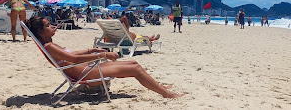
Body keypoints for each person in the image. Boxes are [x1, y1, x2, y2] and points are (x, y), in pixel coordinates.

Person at [25, 16, 182, 98]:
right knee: (135, 68)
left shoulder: (50, 44)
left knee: (133, 62)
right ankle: (167, 94)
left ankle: (162, 89)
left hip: (86, 70)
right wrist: (103, 54)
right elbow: (73, 60)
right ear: (40, 32)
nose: (52, 26)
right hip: (86, 73)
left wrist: (91, 49)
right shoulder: (50, 46)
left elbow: (71, 55)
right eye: (48, 25)